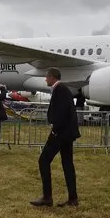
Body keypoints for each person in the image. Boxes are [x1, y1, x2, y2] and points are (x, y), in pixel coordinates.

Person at [31, 67, 81, 207]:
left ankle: (47, 197)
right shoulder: (63, 89)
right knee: (67, 164)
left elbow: (62, 113)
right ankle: (73, 198)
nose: (45, 79)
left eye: (46, 77)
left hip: (61, 133)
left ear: (52, 77)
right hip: (67, 133)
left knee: (43, 161)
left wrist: (55, 131)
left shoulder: (60, 90)